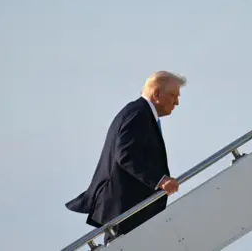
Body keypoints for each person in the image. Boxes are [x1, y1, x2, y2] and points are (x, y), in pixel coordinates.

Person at [65, 71, 186, 245]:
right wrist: (160, 180)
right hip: (125, 207)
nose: (177, 102)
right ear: (157, 94)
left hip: (127, 207)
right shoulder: (139, 114)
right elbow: (125, 155)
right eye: (173, 95)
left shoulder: (140, 113)